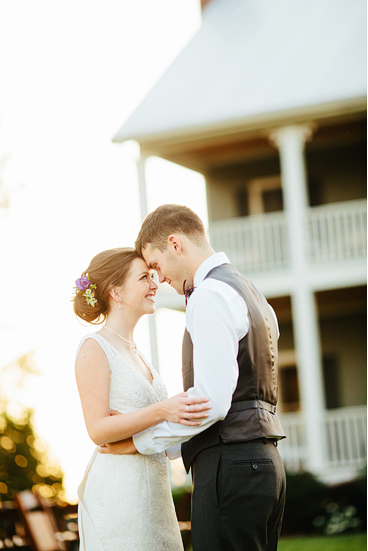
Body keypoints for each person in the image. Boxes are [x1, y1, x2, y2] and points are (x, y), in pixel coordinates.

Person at [106, 204, 287, 551]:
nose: (160, 280)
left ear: (175, 243)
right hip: (266, 466)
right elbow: (236, 397)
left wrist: (137, 443)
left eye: (156, 266)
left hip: (229, 469)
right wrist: (169, 447)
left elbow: (212, 404)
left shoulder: (208, 296)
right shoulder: (252, 294)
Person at [72, 247, 211, 550]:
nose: (155, 284)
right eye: (144, 278)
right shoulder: (94, 347)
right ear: (116, 291)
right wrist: (163, 410)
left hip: (154, 491)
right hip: (119, 491)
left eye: (152, 275)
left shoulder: (136, 351)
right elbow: (98, 430)